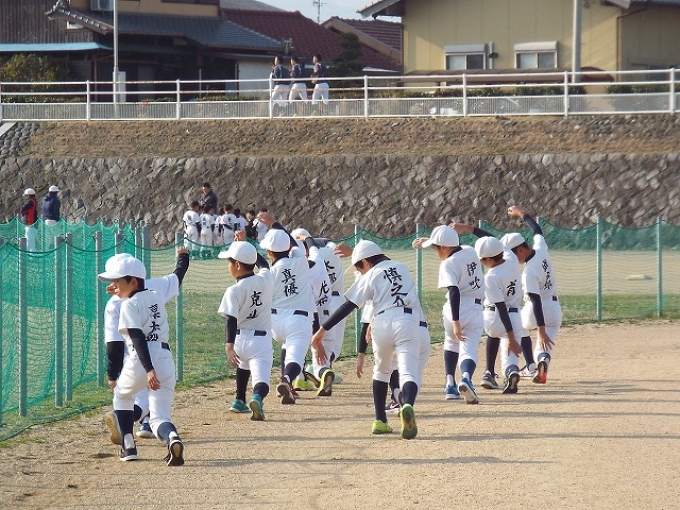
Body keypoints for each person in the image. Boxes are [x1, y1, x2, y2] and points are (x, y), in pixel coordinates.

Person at [311, 240, 429, 440]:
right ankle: (407, 404)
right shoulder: (402, 267)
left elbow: (348, 306)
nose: (360, 271)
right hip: (407, 321)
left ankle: (380, 421)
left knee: (381, 371)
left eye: (359, 267)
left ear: (366, 262)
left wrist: (321, 331)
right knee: (409, 372)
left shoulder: (371, 274)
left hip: (380, 322)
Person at [100, 249, 189, 465]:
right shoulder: (155, 295)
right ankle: (172, 438)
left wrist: (148, 369)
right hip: (165, 358)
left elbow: (138, 338)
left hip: (141, 359)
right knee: (160, 418)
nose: (113, 286)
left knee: (122, 396)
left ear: (132, 281)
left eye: (118, 281)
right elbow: (174, 278)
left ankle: (128, 446)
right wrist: (183, 259)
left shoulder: (127, 305)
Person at [412, 225, 484, 404]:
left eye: (436, 248)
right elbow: (486, 240)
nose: (436, 252)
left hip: (454, 309)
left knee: (451, 343)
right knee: (469, 349)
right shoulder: (470, 251)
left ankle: (450, 384)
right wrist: (431, 241)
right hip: (474, 308)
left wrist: (456, 321)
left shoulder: (447, 264)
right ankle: (466, 378)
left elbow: (453, 290)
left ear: (443, 247)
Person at [256, 212, 315, 405]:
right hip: (298, 320)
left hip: (274, 323)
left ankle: (286, 385)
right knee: (295, 358)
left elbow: (262, 267)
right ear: (288, 248)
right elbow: (293, 242)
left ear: (269, 252)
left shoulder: (270, 273)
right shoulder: (300, 260)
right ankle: (287, 379)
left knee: (286, 347)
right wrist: (274, 223)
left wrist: (244, 247)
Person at [501, 206, 562, 385]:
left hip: (535, 310)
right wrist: (522, 214)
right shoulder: (541, 249)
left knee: (519, 327)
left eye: (511, 255)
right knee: (544, 347)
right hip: (554, 309)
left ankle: (530, 366)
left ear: (520, 250)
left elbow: (535, 301)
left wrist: (540, 331)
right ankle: (543, 360)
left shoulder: (529, 273)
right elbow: (537, 230)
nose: (511, 259)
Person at [217, 236, 274, 420]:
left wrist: (229, 346)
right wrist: (249, 249)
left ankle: (239, 399)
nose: (228, 266)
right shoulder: (266, 279)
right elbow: (264, 264)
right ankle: (257, 398)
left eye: (230, 262)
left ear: (238, 265)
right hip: (261, 341)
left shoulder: (233, 290)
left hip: (240, 339)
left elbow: (231, 319)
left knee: (243, 365)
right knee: (261, 381)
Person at [20, 188, 38, 252]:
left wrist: (23, 214)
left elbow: (23, 209)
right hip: (31, 223)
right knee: (31, 240)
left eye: (26, 195)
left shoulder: (30, 202)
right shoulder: (33, 201)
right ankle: (32, 252)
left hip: (29, 223)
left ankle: (27, 253)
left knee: (29, 239)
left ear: (28, 195)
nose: (25, 197)